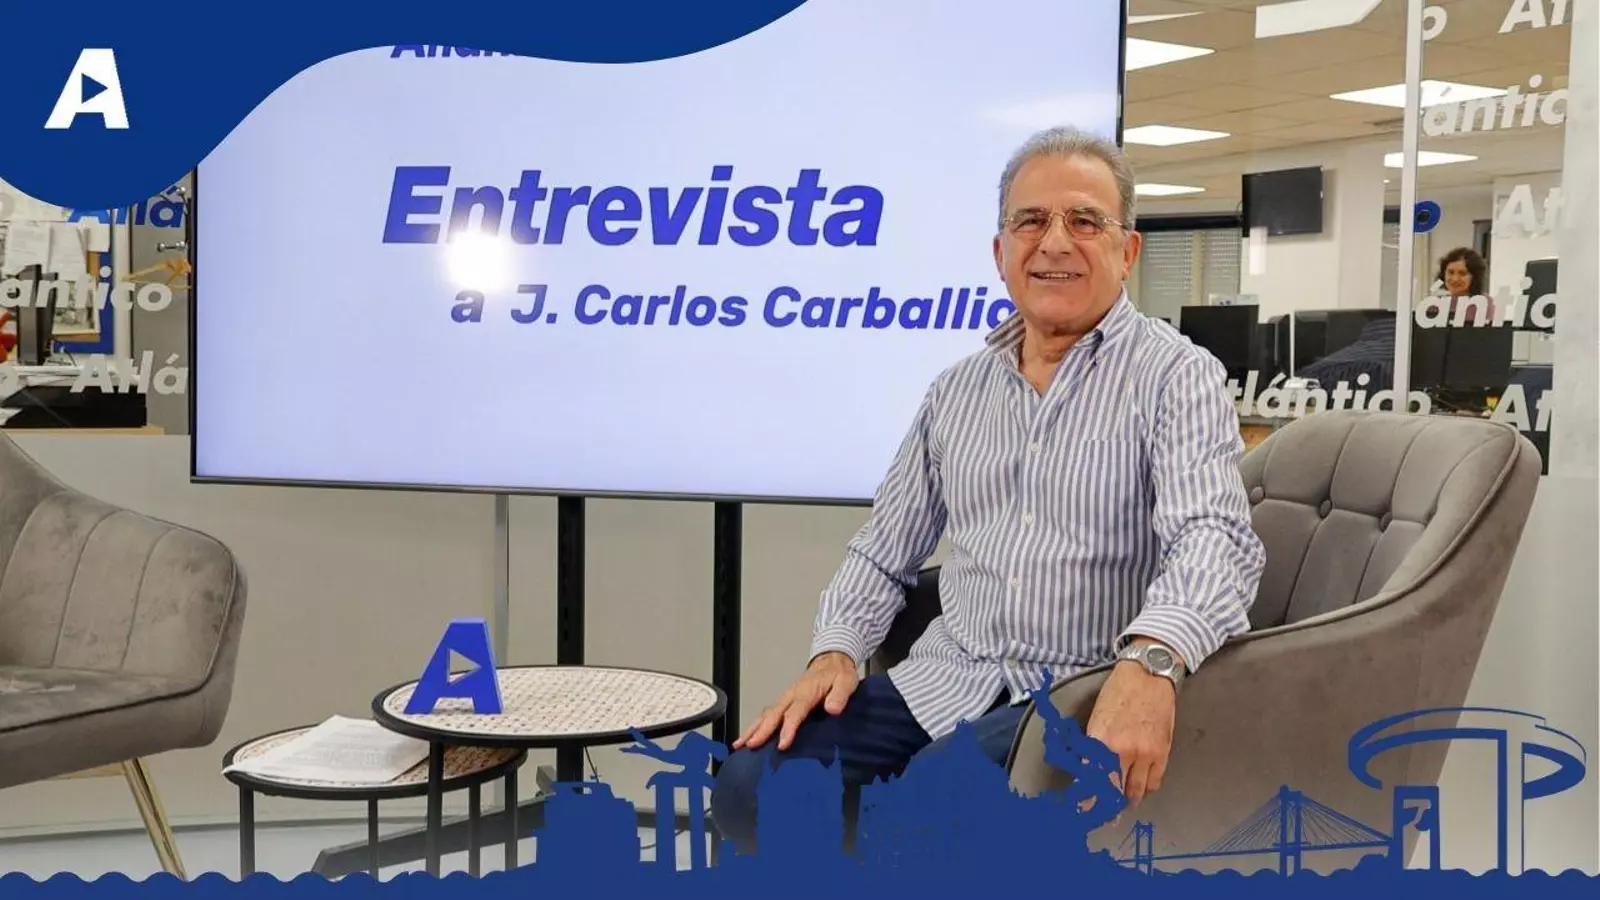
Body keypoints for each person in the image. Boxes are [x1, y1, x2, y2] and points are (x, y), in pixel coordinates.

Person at [708, 125, 1267, 852]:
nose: (1055, 243)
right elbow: (883, 549)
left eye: (1085, 221)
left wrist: (1152, 660)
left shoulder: (1177, 376)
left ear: (1127, 251)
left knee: (927, 809)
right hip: (949, 674)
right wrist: (835, 651)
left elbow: (1214, 539)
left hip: (1083, 686)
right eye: (1031, 221)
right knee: (750, 788)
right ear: (1001, 252)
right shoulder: (956, 391)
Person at [1431, 246, 1493, 324]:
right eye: (1450, 272)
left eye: (1462, 273)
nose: (1455, 279)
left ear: (1475, 276)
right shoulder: (1435, 303)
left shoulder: (1485, 303)